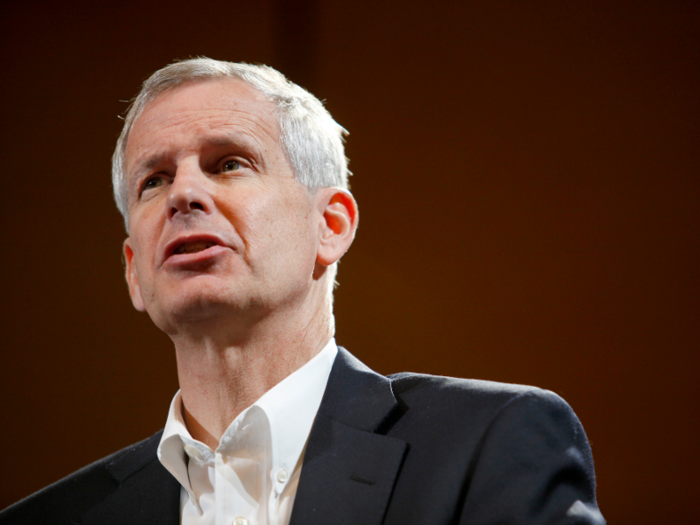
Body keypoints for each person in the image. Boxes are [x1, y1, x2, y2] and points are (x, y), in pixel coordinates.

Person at [0, 58, 605, 525]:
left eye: (228, 163)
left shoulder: (488, 445)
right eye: (152, 181)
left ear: (330, 225)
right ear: (135, 270)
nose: (183, 195)